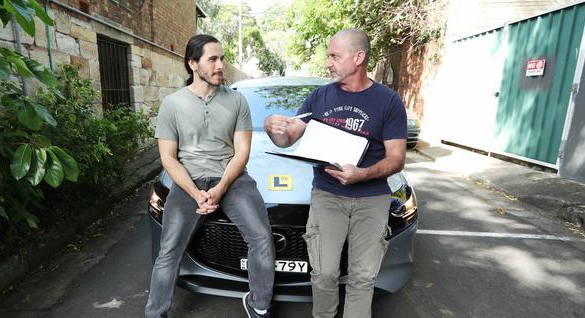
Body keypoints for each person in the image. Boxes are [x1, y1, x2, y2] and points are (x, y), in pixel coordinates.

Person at [264, 29, 407, 318]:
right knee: (324, 273)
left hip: (372, 198)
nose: (328, 63)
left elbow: (397, 159)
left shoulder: (388, 102)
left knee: (363, 277)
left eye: (334, 56)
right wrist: (273, 129)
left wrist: (363, 174)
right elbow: (289, 136)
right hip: (328, 196)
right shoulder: (319, 97)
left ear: (358, 57)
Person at [145, 34, 275, 318]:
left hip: (233, 179)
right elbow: (168, 157)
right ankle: (155, 313)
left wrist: (221, 187)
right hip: (188, 181)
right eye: (212, 59)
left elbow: (242, 151)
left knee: (261, 237)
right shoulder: (172, 104)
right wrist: (195, 193)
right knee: (169, 249)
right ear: (193, 64)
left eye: (222, 59)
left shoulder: (237, 100)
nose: (220, 66)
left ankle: (259, 305)